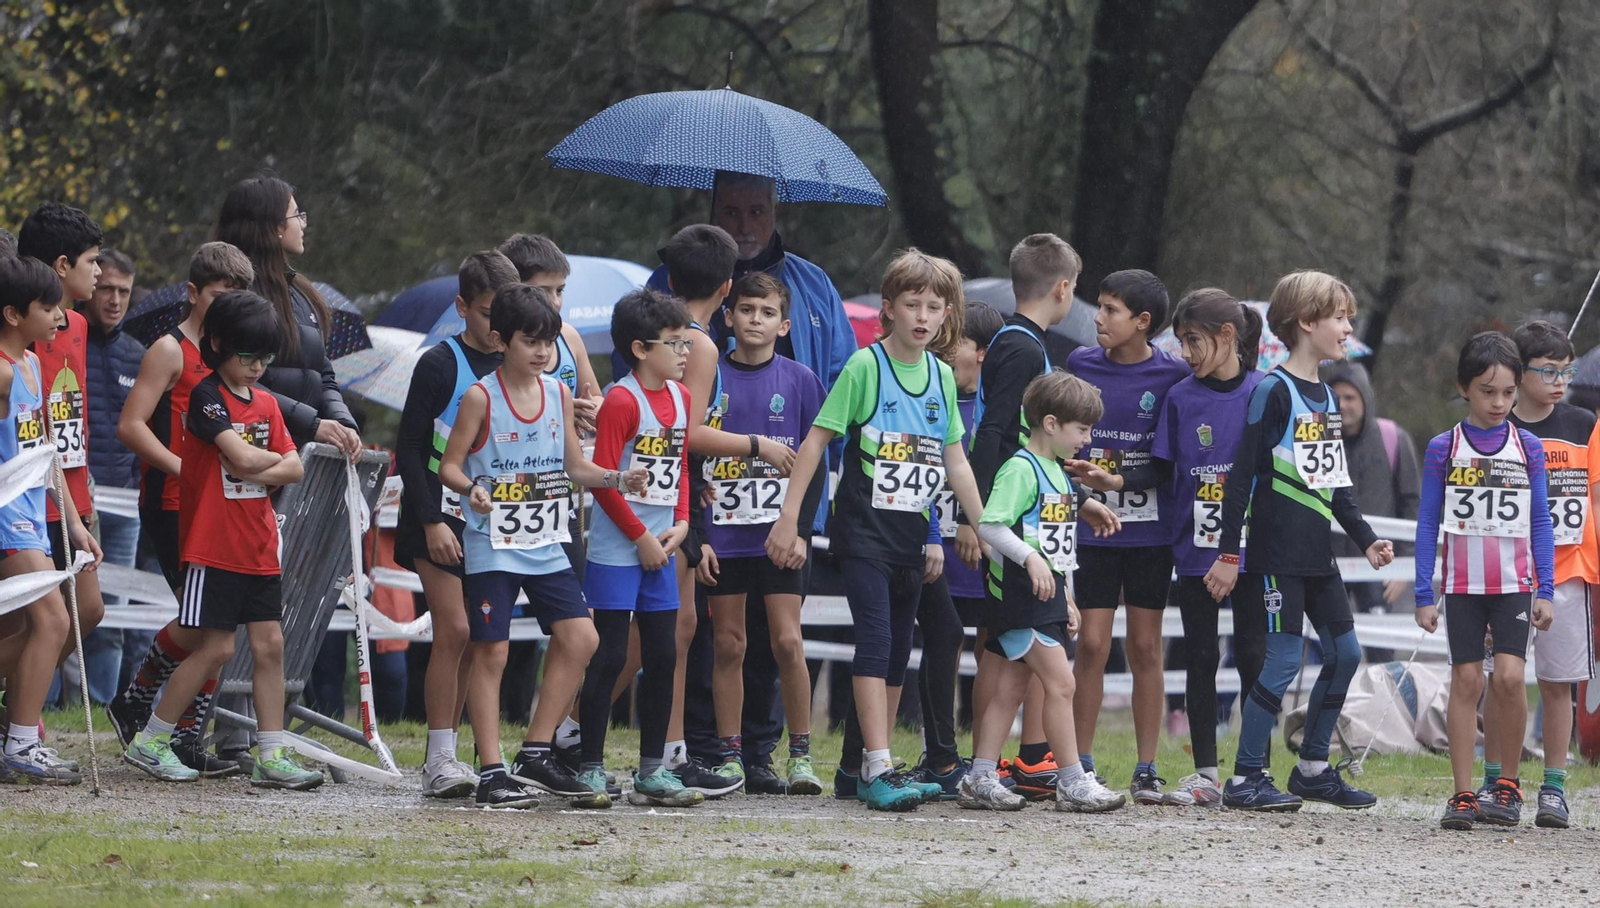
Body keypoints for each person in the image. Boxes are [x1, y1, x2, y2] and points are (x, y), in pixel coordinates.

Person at [765, 250, 987, 812]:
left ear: (946, 315)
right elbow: (815, 442)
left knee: (895, 656)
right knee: (877, 641)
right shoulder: (866, 368)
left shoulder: (940, 375)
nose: (923, 316)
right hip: (862, 534)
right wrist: (789, 520)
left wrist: (979, 525)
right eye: (912, 304)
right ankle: (880, 768)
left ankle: (855, 768)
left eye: (934, 307)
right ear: (888, 309)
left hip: (911, 536)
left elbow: (955, 460)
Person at [439, 283, 644, 809]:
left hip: (548, 540)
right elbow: (451, 464)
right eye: (530, 341)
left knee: (581, 639)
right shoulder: (480, 397)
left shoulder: (556, 392)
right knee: (493, 652)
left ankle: (534, 751)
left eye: (549, 341)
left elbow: (574, 466)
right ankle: (490, 771)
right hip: (494, 544)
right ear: (500, 339)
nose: (542, 352)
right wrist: (472, 490)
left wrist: (617, 478)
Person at [1205, 270, 1393, 812]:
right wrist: (1227, 552)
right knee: (1284, 662)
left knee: (1346, 653)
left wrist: (1366, 539)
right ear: (1307, 323)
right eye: (1339, 318)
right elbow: (1239, 477)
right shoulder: (1272, 389)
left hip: (1318, 558)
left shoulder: (1328, 398)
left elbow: (1334, 483)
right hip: (1275, 556)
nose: (1348, 327)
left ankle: (1312, 768)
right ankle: (1245, 778)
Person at [120, 291, 323, 790]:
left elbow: (294, 466)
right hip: (212, 546)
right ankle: (151, 738)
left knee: (270, 645)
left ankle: (272, 753)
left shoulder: (270, 403)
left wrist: (259, 463)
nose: (256, 367)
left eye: (265, 358)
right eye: (246, 356)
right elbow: (241, 457)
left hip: (258, 546)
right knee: (214, 649)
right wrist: (261, 463)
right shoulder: (207, 398)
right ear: (217, 346)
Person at [657, 224, 797, 796]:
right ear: (726, 287)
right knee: (667, 633)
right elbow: (688, 432)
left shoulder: (669, 333)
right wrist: (756, 446)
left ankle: (660, 750)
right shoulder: (701, 343)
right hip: (670, 501)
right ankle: (586, 738)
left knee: (678, 629)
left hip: (682, 493)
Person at [107, 242, 255, 778]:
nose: (230, 306)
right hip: (171, 504)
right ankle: (142, 702)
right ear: (193, 293)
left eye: (239, 296)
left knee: (216, 622)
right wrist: (181, 468)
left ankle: (183, 731)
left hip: (221, 507)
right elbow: (130, 425)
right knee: (207, 627)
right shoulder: (169, 350)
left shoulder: (231, 358)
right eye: (220, 295)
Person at [961, 371, 1127, 813]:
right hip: (1020, 594)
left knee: (1012, 689)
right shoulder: (1020, 469)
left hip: (1046, 595)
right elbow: (992, 524)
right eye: (1081, 430)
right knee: (1062, 682)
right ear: (1050, 423)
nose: (1087, 441)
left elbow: (1053, 543)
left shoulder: (1055, 472)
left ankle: (979, 776)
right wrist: (1030, 561)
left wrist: (1067, 596)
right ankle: (1072, 781)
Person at [1415, 332, 1555, 830]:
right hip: (1463, 588)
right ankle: (1462, 793)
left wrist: (1547, 589)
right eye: (1487, 392)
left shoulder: (1528, 446)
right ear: (1464, 389)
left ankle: (1508, 785)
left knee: (1513, 678)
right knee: (1468, 680)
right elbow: (1428, 523)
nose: (1499, 403)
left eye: (1508, 392)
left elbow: (1541, 520)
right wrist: (1422, 594)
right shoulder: (1443, 448)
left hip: (1514, 585)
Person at [392, 251, 519, 798]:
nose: (499, 328)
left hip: (490, 521)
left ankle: (467, 751)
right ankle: (438, 756)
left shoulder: (518, 364)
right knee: (456, 630)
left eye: (507, 315)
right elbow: (411, 446)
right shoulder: (440, 364)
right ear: (463, 307)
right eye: (489, 313)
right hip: (434, 514)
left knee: (481, 637)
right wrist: (430, 522)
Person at [697, 272, 827, 794]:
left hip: (780, 536)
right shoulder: (709, 377)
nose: (755, 320)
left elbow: (816, 463)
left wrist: (800, 530)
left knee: (787, 642)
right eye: (746, 309)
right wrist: (697, 535)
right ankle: (731, 755)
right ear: (728, 317)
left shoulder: (799, 380)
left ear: (784, 323)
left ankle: (799, 755)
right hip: (723, 537)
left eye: (767, 312)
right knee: (729, 644)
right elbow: (689, 454)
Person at [1063, 269, 1190, 804]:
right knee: (1090, 645)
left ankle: (1146, 766)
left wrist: (1116, 480)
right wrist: (1085, 490)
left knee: (1144, 647)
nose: (1098, 317)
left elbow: (1166, 464)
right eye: (1100, 306)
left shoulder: (1172, 376)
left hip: (1148, 534)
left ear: (1142, 322)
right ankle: (1081, 764)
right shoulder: (1079, 365)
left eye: (1111, 309)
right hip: (1091, 530)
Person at [576, 288, 703, 808]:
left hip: (661, 544)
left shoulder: (683, 397)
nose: (684, 353)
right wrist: (641, 537)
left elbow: (683, 469)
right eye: (674, 344)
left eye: (686, 343)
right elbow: (603, 481)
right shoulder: (622, 401)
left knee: (663, 652)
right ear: (640, 349)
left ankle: (653, 769)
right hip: (618, 548)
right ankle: (588, 765)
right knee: (608, 655)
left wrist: (681, 523)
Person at [968, 233, 1083, 798]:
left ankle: (984, 771)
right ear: (1063, 289)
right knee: (1023, 659)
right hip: (1008, 532)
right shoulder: (1019, 346)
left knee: (1011, 668)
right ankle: (1058, 776)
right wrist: (976, 519)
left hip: (1027, 534)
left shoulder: (1026, 344)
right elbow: (992, 432)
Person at [1150, 289, 1265, 807]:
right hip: (1197, 553)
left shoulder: (1268, 392)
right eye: (1179, 343)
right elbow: (1161, 469)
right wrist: (1108, 481)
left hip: (1255, 554)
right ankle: (1204, 773)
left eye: (1193, 341)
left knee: (1254, 657)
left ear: (1227, 337)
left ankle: (1252, 771)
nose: (1186, 354)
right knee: (1199, 656)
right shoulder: (1180, 397)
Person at [0, 255, 100, 783]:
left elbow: (43, 451)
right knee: (54, 619)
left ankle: (17, 739)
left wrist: (76, 521)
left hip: (34, 512)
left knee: (39, 623)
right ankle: (21, 743)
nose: (59, 316)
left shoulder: (33, 366)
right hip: (5, 515)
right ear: (14, 314)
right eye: (48, 306)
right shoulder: (0, 369)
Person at [12, 202, 109, 710]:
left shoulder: (78, 325)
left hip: (72, 489)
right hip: (27, 496)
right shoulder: (23, 332)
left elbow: (69, 416)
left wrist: (82, 491)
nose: (101, 271)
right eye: (93, 261)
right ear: (61, 266)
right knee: (35, 617)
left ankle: (19, 699)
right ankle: (22, 716)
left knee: (87, 611)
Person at [908, 300, 1006, 799]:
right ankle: (938, 750)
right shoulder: (931, 395)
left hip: (988, 554)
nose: (944, 350)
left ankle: (988, 759)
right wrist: (934, 534)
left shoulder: (1000, 411)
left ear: (984, 354)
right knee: (942, 641)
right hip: (935, 550)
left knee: (996, 647)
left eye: (956, 342)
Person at [1492, 321, 1584, 828]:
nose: (1559, 380)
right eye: (1548, 370)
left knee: (1558, 682)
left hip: (1568, 573)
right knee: (1500, 678)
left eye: (1566, 370)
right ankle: (1498, 779)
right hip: (1504, 573)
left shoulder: (1583, 423)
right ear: (1519, 372)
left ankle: (1554, 786)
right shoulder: (1499, 428)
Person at [214, 176, 362, 457]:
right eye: (297, 215)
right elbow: (240, 379)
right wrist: (313, 424)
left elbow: (323, 372)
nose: (303, 223)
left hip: (302, 450)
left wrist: (343, 423)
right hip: (256, 450)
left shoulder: (298, 291)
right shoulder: (235, 295)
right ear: (274, 227)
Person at [76, 247, 146, 703]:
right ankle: (43, 708)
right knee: (62, 612)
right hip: (73, 499)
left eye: (124, 291)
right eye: (107, 289)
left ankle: (99, 706)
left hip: (125, 502)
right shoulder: (64, 338)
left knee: (113, 618)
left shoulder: (140, 355)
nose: (115, 299)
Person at [1324, 361, 1421, 653]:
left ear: (1366, 398)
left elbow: (1411, 502)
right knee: (1328, 652)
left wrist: (1405, 565)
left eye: (1350, 397)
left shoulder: (1394, 439)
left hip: (1379, 564)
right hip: (1327, 565)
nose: (1343, 405)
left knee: (1381, 653)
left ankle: (1382, 701)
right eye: (1336, 397)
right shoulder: (1317, 440)